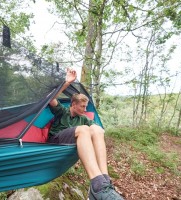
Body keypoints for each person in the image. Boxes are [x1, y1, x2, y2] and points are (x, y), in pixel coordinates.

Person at [47, 68, 124, 200]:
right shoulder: (62, 111)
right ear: (73, 104)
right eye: (82, 106)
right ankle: (97, 183)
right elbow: (50, 98)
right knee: (83, 129)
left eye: (86, 106)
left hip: (72, 141)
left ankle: (104, 181)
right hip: (55, 141)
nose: (85, 109)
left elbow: (99, 130)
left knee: (96, 129)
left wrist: (96, 129)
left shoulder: (83, 118)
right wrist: (67, 82)